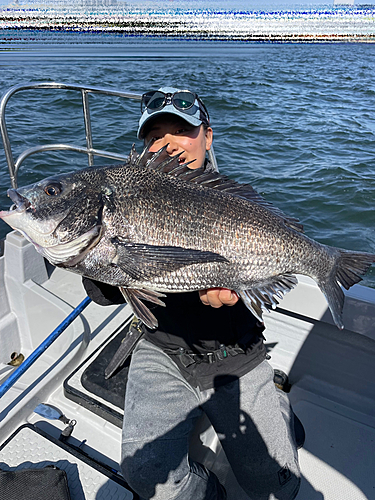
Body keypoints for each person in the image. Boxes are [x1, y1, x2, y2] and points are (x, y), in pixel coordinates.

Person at [83, 87, 303, 500]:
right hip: (161, 347)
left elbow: (260, 264)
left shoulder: (232, 203)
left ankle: (277, 404)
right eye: (154, 136)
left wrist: (240, 286)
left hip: (233, 351)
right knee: (146, 474)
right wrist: (98, 257)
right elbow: (102, 292)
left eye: (182, 130)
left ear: (208, 136)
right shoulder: (126, 198)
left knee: (278, 488)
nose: (167, 143)